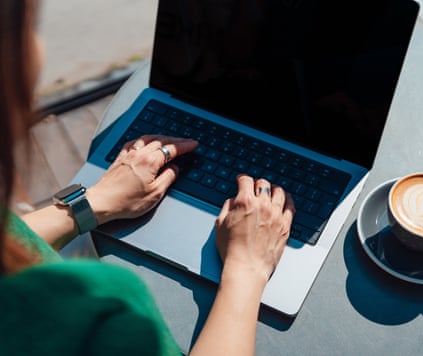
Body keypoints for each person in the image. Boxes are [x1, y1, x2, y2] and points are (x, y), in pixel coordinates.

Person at [0, 1, 295, 355]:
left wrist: (92, 203)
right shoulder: (97, 316)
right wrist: (246, 269)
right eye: (29, 26)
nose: (39, 47)